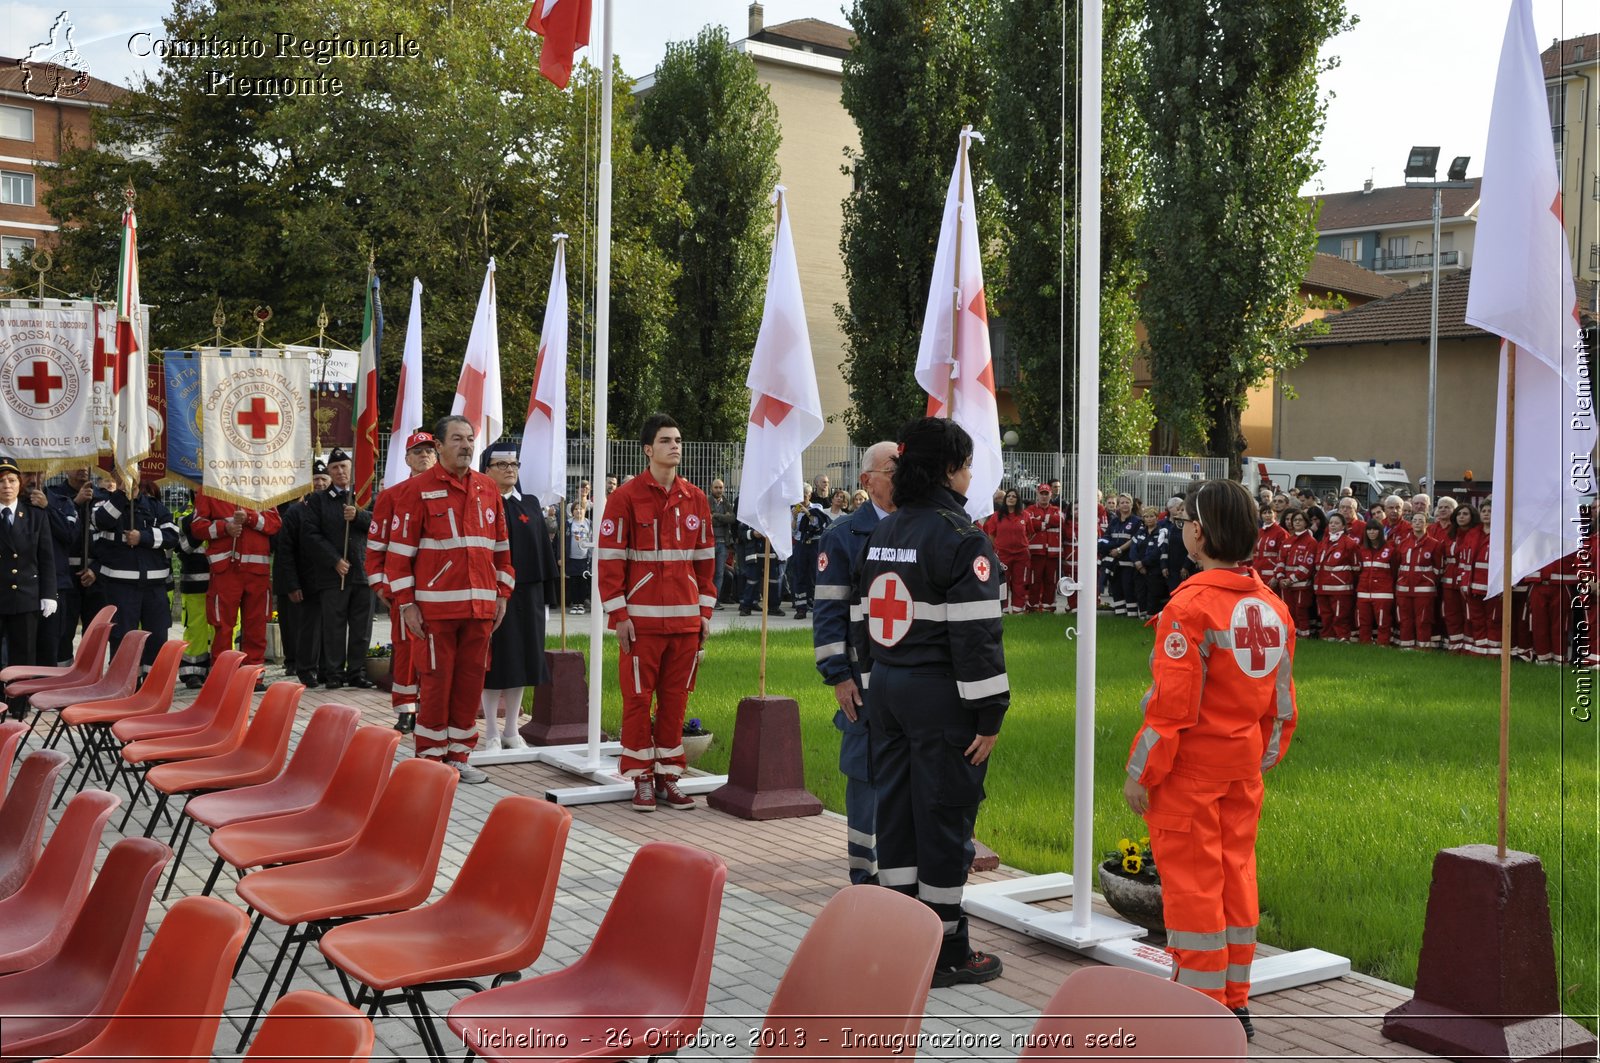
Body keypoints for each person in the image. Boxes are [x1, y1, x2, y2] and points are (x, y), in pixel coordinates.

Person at [1123, 479, 1296, 1040]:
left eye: (1183, 522)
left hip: (1188, 776)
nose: (1179, 530)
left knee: (1193, 890)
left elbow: (1171, 710)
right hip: (1242, 771)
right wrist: (1257, 756)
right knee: (1236, 880)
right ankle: (1234, 1002)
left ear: (1199, 532)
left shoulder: (1190, 607)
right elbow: (1282, 706)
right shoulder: (1273, 607)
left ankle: (1198, 1012)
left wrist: (1140, 774)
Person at [850, 417, 1008, 989]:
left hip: (887, 688)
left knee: (894, 812)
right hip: (940, 697)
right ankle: (945, 950)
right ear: (947, 469)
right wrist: (990, 714)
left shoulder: (885, 531)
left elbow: (863, 622)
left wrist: (874, 682)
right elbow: (976, 638)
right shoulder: (961, 539)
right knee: (943, 817)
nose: (970, 474)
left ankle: (898, 938)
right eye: (966, 464)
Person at [384, 416, 513, 785]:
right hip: (435, 612)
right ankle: (429, 758)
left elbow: (502, 550)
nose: (466, 445)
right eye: (457, 439)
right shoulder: (417, 490)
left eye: (470, 438)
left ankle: (459, 755)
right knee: (437, 684)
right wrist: (407, 603)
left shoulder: (488, 489)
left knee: (469, 684)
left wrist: (501, 593)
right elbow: (399, 555)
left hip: (480, 611)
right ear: (439, 446)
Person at [597, 413, 716, 811]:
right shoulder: (625, 497)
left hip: (684, 624)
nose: (675, 446)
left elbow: (705, 564)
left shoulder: (696, 498)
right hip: (641, 625)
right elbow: (610, 560)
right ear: (648, 449)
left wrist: (704, 615)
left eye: (678, 439)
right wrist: (619, 616)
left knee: (675, 702)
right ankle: (640, 777)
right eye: (666, 440)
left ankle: (669, 776)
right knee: (636, 700)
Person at [813, 440, 897, 885]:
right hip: (861, 681)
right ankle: (865, 876)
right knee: (865, 774)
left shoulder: (915, 528)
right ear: (867, 479)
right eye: (892, 467)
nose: (901, 474)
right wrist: (839, 675)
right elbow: (828, 612)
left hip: (906, 678)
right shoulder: (843, 535)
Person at [478, 442, 560, 752]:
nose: (510, 469)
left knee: (522, 661)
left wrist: (547, 597)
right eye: (502, 465)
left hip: (529, 595)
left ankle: (511, 730)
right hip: (493, 593)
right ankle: (490, 733)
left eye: (514, 464)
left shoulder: (529, 504)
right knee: (495, 662)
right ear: (487, 470)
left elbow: (543, 551)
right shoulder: (481, 504)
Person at [365, 432, 438, 732]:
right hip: (403, 588)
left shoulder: (448, 491)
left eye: (429, 451)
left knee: (438, 651)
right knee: (406, 651)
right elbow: (376, 545)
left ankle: (433, 708)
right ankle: (406, 710)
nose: (424, 456)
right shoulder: (391, 496)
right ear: (406, 458)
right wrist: (381, 586)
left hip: (441, 589)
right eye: (417, 451)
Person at [192, 485, 282, 683]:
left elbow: (275, 523)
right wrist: (226, 528)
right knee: (223, 627)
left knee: (256, 626)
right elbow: (197, 527)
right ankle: (222, 677)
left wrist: (250, 518)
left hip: (257, 572)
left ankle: (253, 678)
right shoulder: (209, 487)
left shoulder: (263, 487)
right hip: (226, 569)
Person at [302, 448, 374, 690]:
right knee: (333, 627)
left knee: (361, 628)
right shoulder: (319, 500)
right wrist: (334, 559)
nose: (340, 471)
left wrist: (359, 516)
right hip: (333, 574)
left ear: (352, 468)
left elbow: (381, 525)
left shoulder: (365, 496)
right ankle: (333, 672)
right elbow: (310, 535)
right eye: (335, 468)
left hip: (363, 571)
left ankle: (357, 671)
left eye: (344, 466)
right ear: (330, 473)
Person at [92, 476, 176, 673]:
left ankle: (151, 688)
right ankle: (123, 688)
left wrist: (143, 537)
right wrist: (122, 495)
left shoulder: (155, 506)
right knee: (122, 639)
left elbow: (172, 535)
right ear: (115, 476)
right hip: (120, 587)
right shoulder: (105, 504)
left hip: (154, 587)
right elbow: (101, 521)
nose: (130, 475)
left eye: (135, 471)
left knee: (157, 638)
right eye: (123, 471)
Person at [0, 459, 55, 716]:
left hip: (25, 596)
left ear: (20, 483)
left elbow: (46, 558)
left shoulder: (35, 515)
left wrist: (48, 594)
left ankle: (19, 706)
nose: (6, 486)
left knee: (24, 655)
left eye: (11, 480)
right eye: (1, 481)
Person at [277, 461, 329, 687]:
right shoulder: (295, 512)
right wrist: (291, 583)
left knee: (327, 628)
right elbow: (285, 550)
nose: (319, 483)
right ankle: (302, 667)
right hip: (302, 579)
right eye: (315, 479)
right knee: (301, 628)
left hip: (328, 581)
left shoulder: (333, 507)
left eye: (323, 479)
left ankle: (327, 669)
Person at [47, 466, 103, 662]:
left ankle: (90, 677)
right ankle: (63, 678)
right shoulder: (54, 495)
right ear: (66, 467)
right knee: (63, 630)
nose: (82, 468)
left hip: (95, 575)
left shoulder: (102, 497)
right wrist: (75, 503)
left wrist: (96, 570)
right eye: (77, 463)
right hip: (65, 575)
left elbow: (110, 541)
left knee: (95, 632)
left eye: (86, 463)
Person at [175, 506, 214, 688]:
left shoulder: (225, 517)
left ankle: (219, 667)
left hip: (222, 584)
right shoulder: (185, 519)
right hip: (194, 584)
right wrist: (202, 529)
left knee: (221, 628)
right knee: (196, 628)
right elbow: (183, 548)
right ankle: (192, 671)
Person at [1396, 511, 1443, 650]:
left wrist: (1429, 580)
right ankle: (1406, 646)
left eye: (1421, 521)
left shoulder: (1434, 544)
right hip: (1404, 588)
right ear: (1411, 524)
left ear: (1427, 524)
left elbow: (1438, 568)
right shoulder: (1403, 543)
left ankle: (1423, 647)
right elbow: (1397, 564)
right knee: (1405, 619)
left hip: (1424, 589)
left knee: (1424, 619)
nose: (1417, 523)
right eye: (1415, 520)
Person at [983, 489, 1031, 614]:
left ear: (1017, 499)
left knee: (1019, 581)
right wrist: (999, 547)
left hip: (1021, 555)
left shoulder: (1025, 515)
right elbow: (991, 534)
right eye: (1008, 496)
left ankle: (1018, 608)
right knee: (1004, 582)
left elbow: (1030, 533)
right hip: (1003, 555)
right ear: (1005, 500)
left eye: (1014, 496)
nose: (1011, 498)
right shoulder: (996, 516)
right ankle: (1003, 608)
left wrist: (1021, 543)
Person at [1313, 512, 1357, 641]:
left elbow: (1356, 567)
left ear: (1343, 526)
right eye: (1331, 523)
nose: (1333, 525)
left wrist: (1344, 578)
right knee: (1325, 613)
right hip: (1322, 585)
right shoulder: (1323, 542)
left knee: (1340, 614)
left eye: (1336, 523)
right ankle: (1328, 636)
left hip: (1340, 587)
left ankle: (1342, 636)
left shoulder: (1349, 543)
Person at [1442, 502, 1480, 653]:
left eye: (1465, 514)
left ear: (1472, 517)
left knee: (1468, 614)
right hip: (1448, 580)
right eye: (1458, 514)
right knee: (1451, 614)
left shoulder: (1476, 534)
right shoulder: (1451, 534)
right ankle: (1455, 646)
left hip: (1466, 579)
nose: (1461, 517)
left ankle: (1469, 645)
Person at [1354, 522, 1398, 646]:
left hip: (1383, 592)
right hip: (1363, 591)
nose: (1371, 532)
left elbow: (1394, 571)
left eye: (1375, 529)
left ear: (1380, 532)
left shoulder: (1390, 550)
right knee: (1363, 620)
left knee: (1383, 621)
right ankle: (1365, 643)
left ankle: (1383, 643)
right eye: (1369, 530)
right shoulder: (1362, 550)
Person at [791, 483, 831, 620]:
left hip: (815, 545)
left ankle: (815, 606)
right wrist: (795, 517)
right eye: (799, 496)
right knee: (799, 576)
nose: (802, 498)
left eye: (804, 495)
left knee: (815, 576)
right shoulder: (794, 509)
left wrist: (807, 512)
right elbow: (794, 531)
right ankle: (800, 608)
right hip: (801, 545)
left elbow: (817, 524)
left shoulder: (817, 508)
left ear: (810, 495)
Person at [1023, 484, 1063, 612]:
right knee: (1035, 580)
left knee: (1051, 581)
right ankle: (1033, 606)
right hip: (1036, 552)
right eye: (1042, 493)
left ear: (1051, 495)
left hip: (1053, 553)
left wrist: (1042, 521)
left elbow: (1061, 520)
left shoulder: (1057, 509)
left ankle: (1048, 606)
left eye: (1047, 494)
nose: (1044, 496)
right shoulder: (1029, 510)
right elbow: (1030, 523)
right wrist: (1049, 522)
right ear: (1037, 494)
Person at [1278, 509, 1317, 637]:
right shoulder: (1287, 541)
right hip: (1285, 584)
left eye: (1300, 520)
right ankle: (1291, 635)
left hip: (1301, 584)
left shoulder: (1311, 542)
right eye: (1295, 520)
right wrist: (1280, 577)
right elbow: (1280, 561)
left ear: (1306, 523)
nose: (1297, 522)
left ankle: (1304, 636)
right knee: (1288, 610)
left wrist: (1292, 579)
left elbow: (1307, 565)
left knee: (1301, 610)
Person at [737, 518, 782, 617]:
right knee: (752, 582)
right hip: (754, 554)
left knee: (773, 582)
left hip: (771, 554)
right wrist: (753, 533)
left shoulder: (773, 515)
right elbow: (741, 533)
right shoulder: (749, 515)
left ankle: (774, 608)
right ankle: (746, 607)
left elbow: (781, 531)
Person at [708, 478, 737, 606]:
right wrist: (722, 518)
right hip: (710, 542)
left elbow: (732, 519)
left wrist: (716, 515)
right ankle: (707, 599)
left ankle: (716, 600)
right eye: (716, 487)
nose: (719, 490)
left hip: (723, 544)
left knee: (719, 573)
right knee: (708, 572)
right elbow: (708, 520)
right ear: (711, 488)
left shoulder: (726, 503)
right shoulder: (706, 501)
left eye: (721, 488)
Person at [566, 499, 593, 613]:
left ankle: (581, 604)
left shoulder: (589, 523)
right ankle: (575, 603)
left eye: (581, 509)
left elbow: (592, 539)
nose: (578, 511)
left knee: (583, 581)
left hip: (584, 558)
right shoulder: (568, 523)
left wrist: (591, 556)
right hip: (572, 557)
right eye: (576, 509)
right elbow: (563, 540)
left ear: (585, 510)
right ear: (572, 512)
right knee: (573, 581)